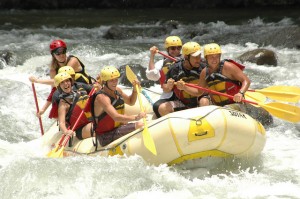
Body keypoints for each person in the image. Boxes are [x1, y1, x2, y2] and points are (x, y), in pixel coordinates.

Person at [176, 43, 273, 125]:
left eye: (217, 56)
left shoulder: (229, 67)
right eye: (211, 57)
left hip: (236, 105)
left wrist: (241, 93)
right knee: (205, 106)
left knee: (224, 110)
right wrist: (184, 87)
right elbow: (198, 91)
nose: (214, 59)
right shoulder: (204, 72)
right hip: (219, 108)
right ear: (206, 58)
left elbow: (246, 81)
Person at [29, 39, 94, 119]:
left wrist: (37, 81)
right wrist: (43, 109)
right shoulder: (53, 70)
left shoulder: (72, 61)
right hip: (72, 93)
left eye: (63, 52)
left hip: (85, 89)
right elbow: (54, 89)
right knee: (57, 95)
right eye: (58, 53)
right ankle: (64, 120)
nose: (61, 55)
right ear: (53, 55)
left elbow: (60, 79)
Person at [91, 66, 146, 146]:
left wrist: (134, 89)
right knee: (139, 125)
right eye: (111, 80)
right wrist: (136, 117)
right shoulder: (102, 98)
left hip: (118, 128)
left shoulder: (117, 90)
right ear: (105, 82)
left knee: (143, 123)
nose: (115, 82)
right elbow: (115, 117)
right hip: (105, 136)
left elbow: (131, 102)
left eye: (116, 79)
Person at [155, 41, 206, 117]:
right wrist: (169, 86)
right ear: (186, 57)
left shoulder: (203, 68)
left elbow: (199, 92)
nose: (198, 59)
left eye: (199, 56)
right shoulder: (175, 69)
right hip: (183, 102)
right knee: (162, 108)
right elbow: (165, 88)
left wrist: (184, 87)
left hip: (200, 99)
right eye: (195, 57)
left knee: (204, 101)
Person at [54, 72, 93, 140]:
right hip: (81, 129)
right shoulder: (63, 104)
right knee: (97, 127)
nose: (65, 84)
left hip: (93, 120)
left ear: (71, 82)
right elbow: (62, 122)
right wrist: (66, 131)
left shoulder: (80, 92)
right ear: (59, 86)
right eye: (62, 82)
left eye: (67, 81)